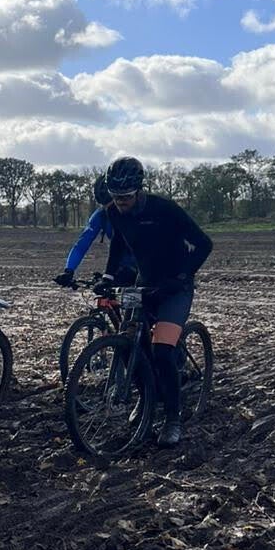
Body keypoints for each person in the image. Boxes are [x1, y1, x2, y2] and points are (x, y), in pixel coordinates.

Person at [102, 155, 212, 448]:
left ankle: (173, 418)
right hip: (145, 283)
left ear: (139, 190)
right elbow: (119, 243)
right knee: (126, 344)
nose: (120, 202)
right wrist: (109, 276)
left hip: (175, 287)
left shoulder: (164, 209)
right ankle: (146, 396)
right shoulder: (113, 212)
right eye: (115, 196)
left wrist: (182, 276)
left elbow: (204, 244)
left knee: (162, 352)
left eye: (125, 197)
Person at [54, 175, 138, 289]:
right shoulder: (101, 215)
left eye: (112, 204)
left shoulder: (136, 213)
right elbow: (81, 245)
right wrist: (69, 271)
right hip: (120, 267)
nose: (109, 209)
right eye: (104, 205)